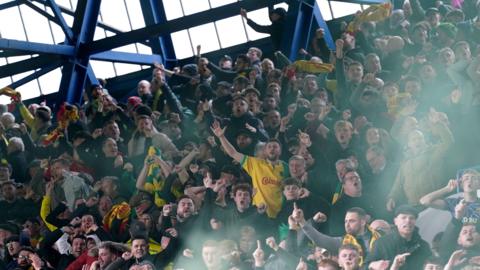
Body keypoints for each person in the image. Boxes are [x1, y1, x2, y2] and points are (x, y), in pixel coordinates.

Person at [211, 120, 288, 218]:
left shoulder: (286, 167)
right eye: (269, 147)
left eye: (275, 147)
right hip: (257, 214)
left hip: (281, 214)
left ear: (280, 151)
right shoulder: (255, 163)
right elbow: (233, 153)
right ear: (265, 150)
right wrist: (221, 137)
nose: (272, 149)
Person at [365, 205, 432, 269]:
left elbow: (431, 263)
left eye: (412, 218)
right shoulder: (382, 243)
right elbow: (366, 265)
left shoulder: (423, 245)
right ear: (395, 221)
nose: (408, 221)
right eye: (403, 217)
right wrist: (373, 265)